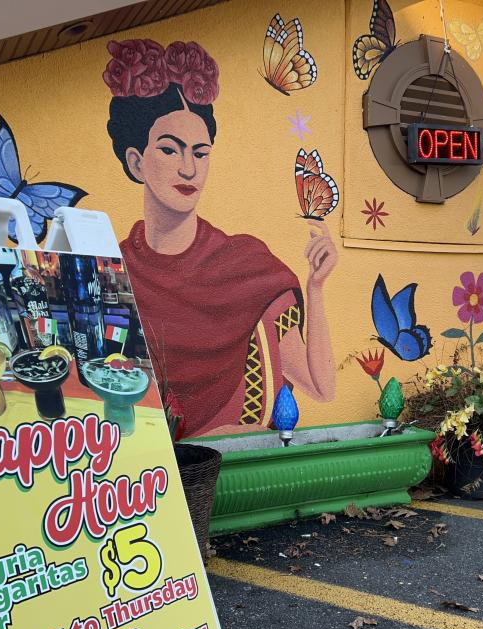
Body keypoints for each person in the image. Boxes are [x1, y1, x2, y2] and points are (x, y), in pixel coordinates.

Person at [103, 38, 337, 437]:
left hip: (233, 471)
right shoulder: (113, 272)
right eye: (170, 150)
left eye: (200, 152)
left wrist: (315, 288)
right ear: (137, 161)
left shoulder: (247, 266)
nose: (189, 169)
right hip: (141, 478)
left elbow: (321, 387)